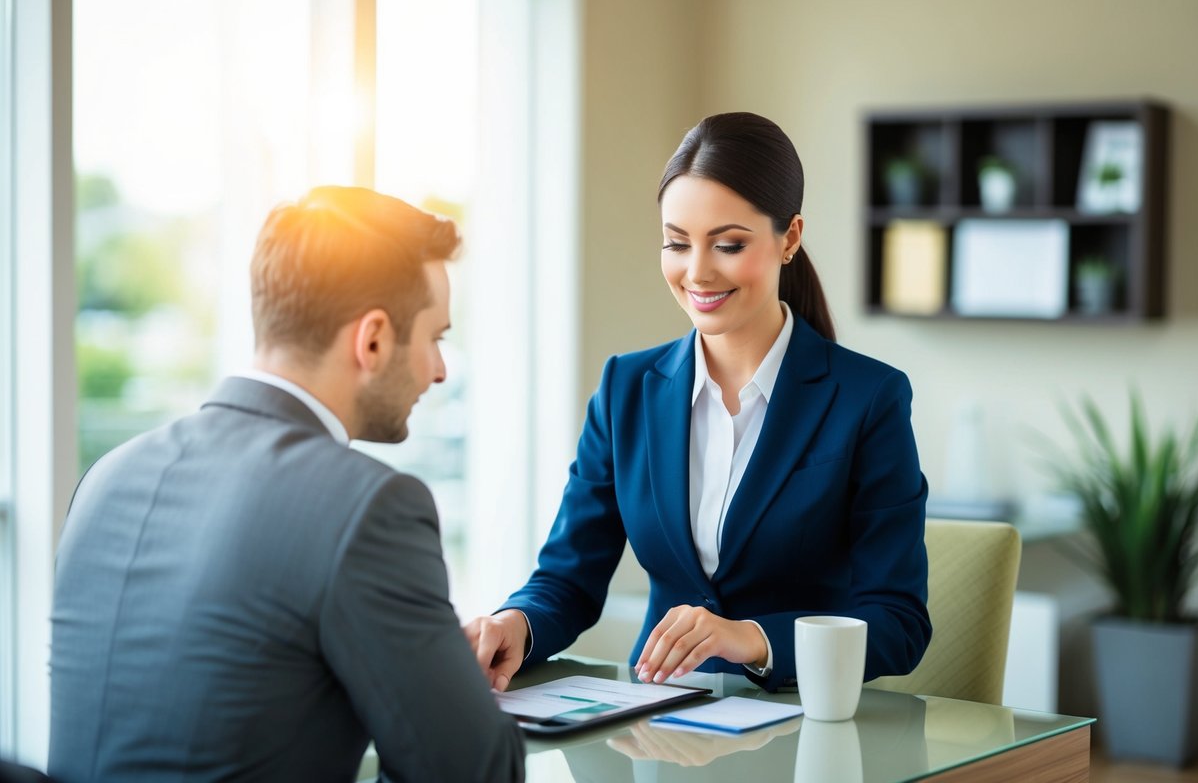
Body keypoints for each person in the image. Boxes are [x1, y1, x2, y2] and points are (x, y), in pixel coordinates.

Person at [49, 187, 525, 783]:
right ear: (372, 339)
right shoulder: (369, 507)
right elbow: (473, 772)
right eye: (436, 337)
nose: (439, 370)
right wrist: (441, 679)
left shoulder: (107, 476)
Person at [465, 112, 930, 693]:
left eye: (729, 244)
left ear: (789, 238)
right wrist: (516, 624)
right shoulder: (625, 388)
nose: (697, 272)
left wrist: (751, 638)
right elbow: (567, 579)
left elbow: (898, 623)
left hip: (802, 730)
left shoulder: (868, 399)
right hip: (656, 724)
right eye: (676, 244)